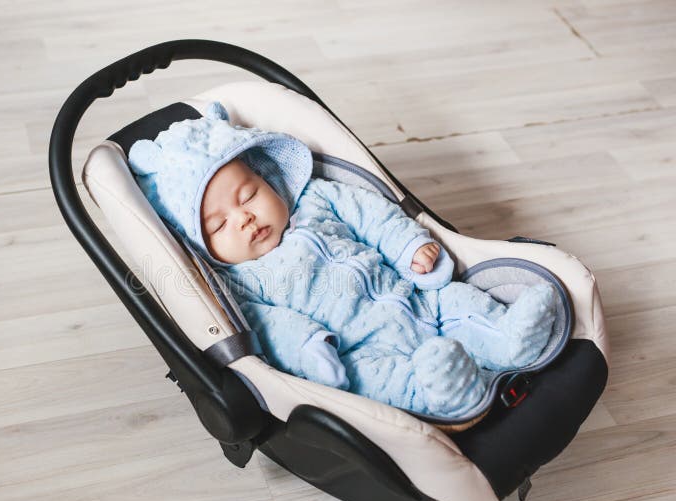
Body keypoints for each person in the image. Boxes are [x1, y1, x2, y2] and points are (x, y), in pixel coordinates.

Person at [129, 101, 556, 418]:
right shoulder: (240, 282)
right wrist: (310, 348)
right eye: (219, 225)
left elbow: (376, 216)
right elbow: (266, 326)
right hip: (358, 348)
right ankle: (444, 395)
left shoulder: (317, 200)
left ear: (268, 178)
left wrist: (409, 248)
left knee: (461, 304)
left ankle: (510, 339)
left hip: (415, 300)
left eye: (249, 196)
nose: (244, 218)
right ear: (199, 242)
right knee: (380, 383)